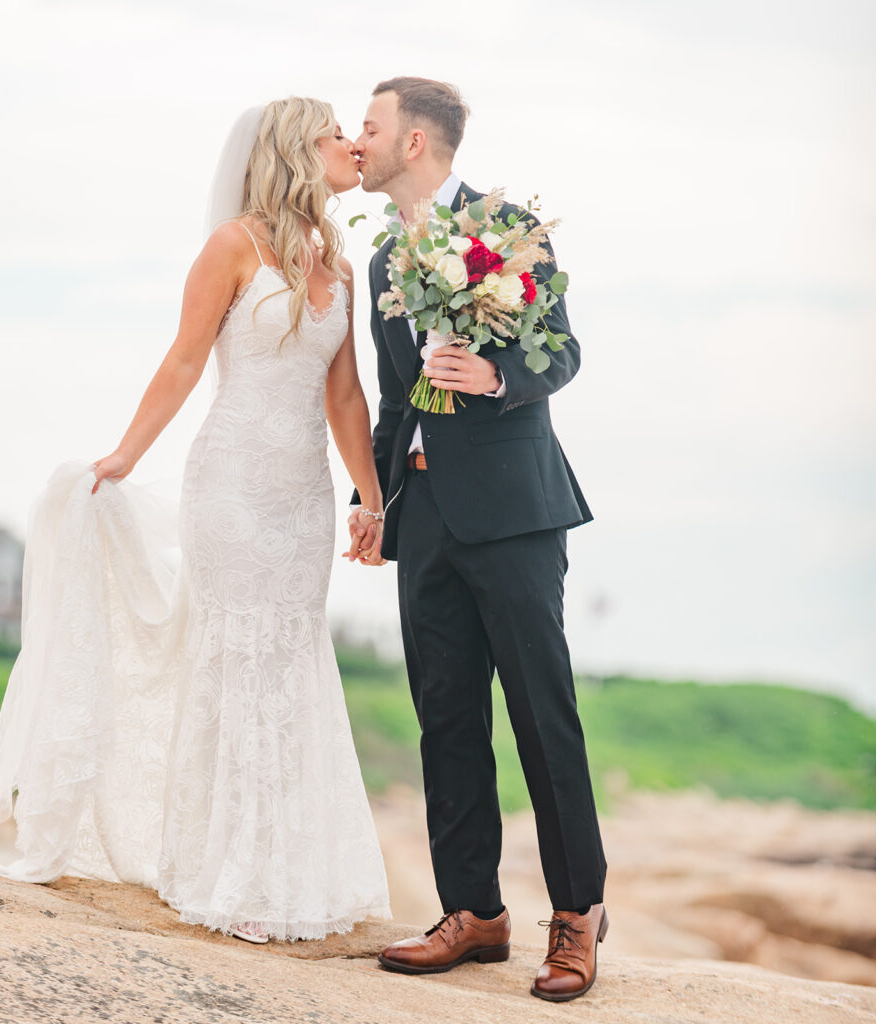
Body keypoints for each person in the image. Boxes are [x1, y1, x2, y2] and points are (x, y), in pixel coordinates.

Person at [0, 97, 391, 945]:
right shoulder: (233, 245)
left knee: (289, 663)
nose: (353, 143)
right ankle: (223, 868)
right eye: (335, 133)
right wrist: (125, 456)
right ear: (296, 149)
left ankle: (287, 872)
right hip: (232, 489)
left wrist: (370, 497)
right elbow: (182, 358)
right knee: (236, 661)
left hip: (303, 500)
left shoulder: (337, 265)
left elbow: (346, 394)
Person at [346, 77, 608, 1001]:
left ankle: (577, 914)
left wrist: (494, 375)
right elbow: (391, 393)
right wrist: (369, 497)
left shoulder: (506, 226)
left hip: (515, 515)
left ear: (415, 142)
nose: (357, 139)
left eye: (370, 127)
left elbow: (562, 354)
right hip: (424, 520)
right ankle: (474, 913)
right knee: (446, 719)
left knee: (544, 714)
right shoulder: (381, 263)